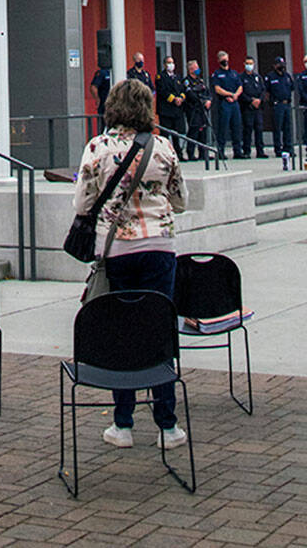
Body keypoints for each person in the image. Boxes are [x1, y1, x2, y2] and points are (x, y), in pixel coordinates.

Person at [71, 76, 189, 451]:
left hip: (117, 249)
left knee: (122, 331)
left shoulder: (98, 147)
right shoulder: (164, 147)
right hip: (159, 247)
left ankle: (122, 423)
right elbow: (181, 199)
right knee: (158, 328)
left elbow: (82, 204)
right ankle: (167, 425)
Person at [210, 51, 243, 159]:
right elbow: (217, 89)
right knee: (223, 128)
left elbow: (240, 86)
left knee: (237, 127)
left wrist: (235, 95)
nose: (225, 61)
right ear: (219, 61)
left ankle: (237, 151)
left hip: (234, 103)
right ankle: (221, 151)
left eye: (226, 59)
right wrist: (229, 94)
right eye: (223, 59)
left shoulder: (234, 73)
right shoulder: (217, 74)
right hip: (224, 103)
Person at [155, 55, 186, 155]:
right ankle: (165, 153)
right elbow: (162, 91)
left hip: (176, 110)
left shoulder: (177, 77)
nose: (171, 65)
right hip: (166, 110)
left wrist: (181, 98)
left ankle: (178, 153)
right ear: (164, 64)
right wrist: (173, 99)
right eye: (169, 63)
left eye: (172, 62)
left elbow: (182, 89)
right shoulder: (160, 76)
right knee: (165, 133)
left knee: (176, 133)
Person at [266, 57, 295, 160]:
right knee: (277, 128)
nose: (281, 66)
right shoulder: (270, 77)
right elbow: (267, 91)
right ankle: (278, 149)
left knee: (288, 127)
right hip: (277, 104)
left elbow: (292, 87)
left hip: (286, 104)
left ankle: (288, 148)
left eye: (282, 64)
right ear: (274, 65)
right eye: (279, 64)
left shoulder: (287, 76)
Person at [239, 57, 267, 158]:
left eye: (251, 63)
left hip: (258, 107)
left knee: (259, 128)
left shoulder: (258, 77)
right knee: (247, 129)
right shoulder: (241, 77)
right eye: (247, 63)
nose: (249, 65)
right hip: (247, 107)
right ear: (244, 64)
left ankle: (260, 151)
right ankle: (246, 151)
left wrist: (259, 100)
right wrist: (251, 100)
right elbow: (241, 92)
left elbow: (263, 90)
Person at [183, 59, 210, 160]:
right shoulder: (187, 81)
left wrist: (208, 101)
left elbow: (206, 92)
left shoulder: (200, 81)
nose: (198, 69)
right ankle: (190, 153)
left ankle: (203, 153)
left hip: (202, 110)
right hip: (193, 109)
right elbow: (191, 95)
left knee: (203, 131)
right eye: (196, 68)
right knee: (194, 131)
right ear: (190, 69)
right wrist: (202, 101)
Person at [89, 62, 111, 133]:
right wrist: (97, 99)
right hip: (104, 104)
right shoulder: (102, 73)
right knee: (103, 126)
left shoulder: (117, 72)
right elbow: (93, 87)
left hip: (115, 105)